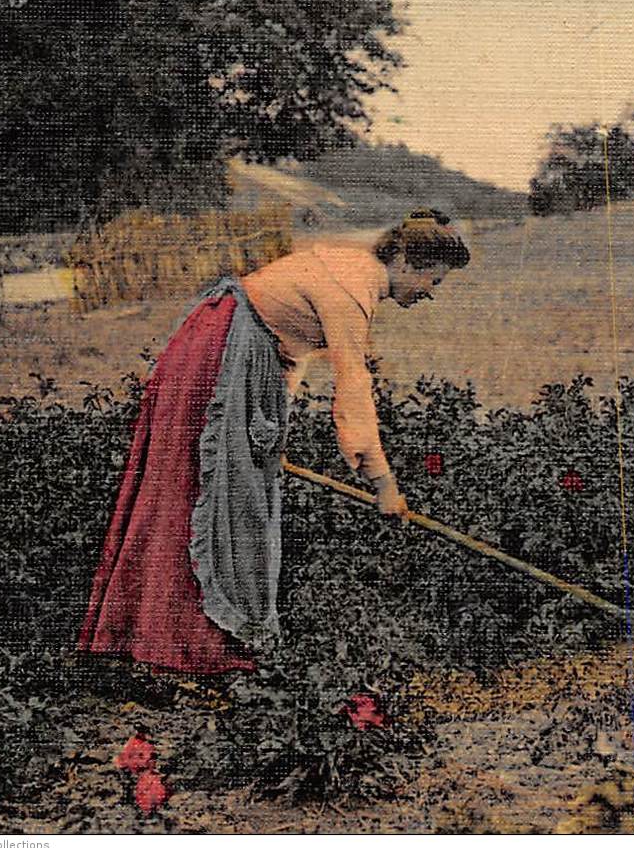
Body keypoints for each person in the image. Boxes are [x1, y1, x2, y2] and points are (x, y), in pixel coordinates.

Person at [77, 208, 471, 674]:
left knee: (225, 500)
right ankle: (183, 649)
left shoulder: (352, 270)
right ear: (405, 262)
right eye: (434, 281)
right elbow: (353, 389)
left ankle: (176, 642)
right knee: (202, 499)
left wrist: (265, 428)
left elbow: (288, 346)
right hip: (218, 361)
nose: (429, 294)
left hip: (225, 351)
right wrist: (384, 484)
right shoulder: (353, 287)